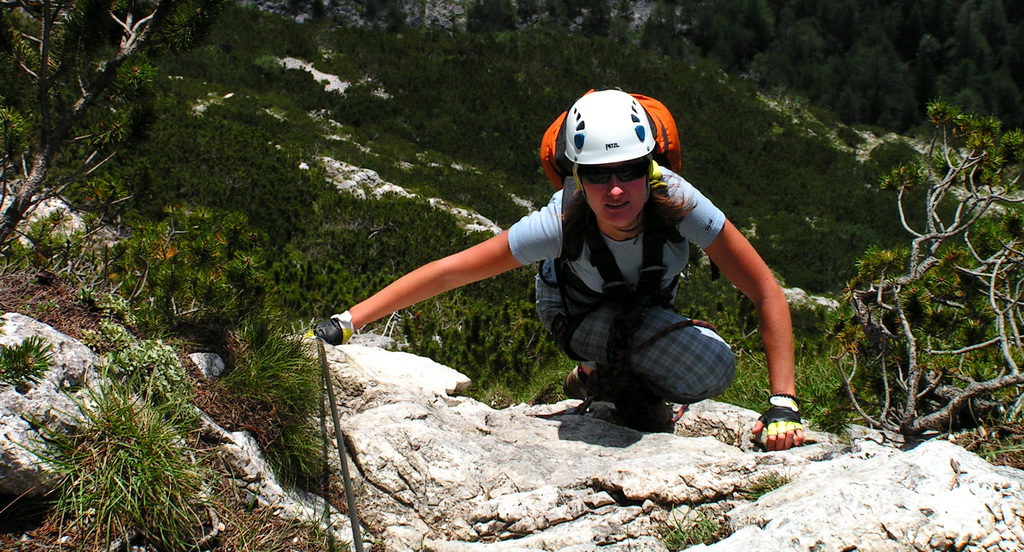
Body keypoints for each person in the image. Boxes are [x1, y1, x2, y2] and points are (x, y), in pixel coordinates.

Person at [316, 89, 804, 450]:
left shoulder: (680, 201)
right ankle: (607, 372)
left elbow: (764, 290)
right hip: (573, 309)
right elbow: (449, 272)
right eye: (596, 174)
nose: (615, 190)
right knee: (709, 364)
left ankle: (596, 376)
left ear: (651, 167)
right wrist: (349, 321)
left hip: (642, 305)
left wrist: (783, 402)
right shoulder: (560, 221)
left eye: (630, 170)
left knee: (713, 366)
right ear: (576, 176)